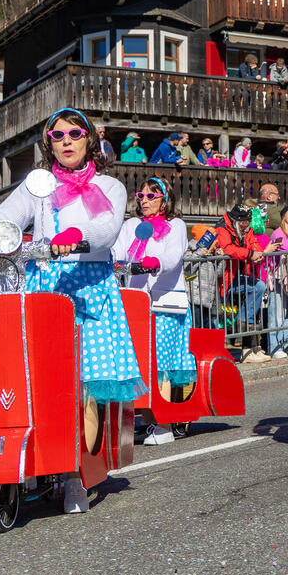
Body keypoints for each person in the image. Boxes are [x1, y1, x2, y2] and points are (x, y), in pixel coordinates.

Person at [0, 107, 146, 514]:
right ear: (48, 142)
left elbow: (107, 229)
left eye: (75, 133)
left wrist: (78, 235)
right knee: (39, 386)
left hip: (89, 288)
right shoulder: (38, 184)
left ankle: (75, 474)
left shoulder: (109, 186)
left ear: (89, 139)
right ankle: (40, 461)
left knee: (85, 389)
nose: (67, 141)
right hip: (43, 290)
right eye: (58, 135)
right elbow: (5, 218)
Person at [113, 176, 195, 446]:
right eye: (141, 196)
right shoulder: (132, 225)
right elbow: (118, 251)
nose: (144, 201)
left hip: (165, 304)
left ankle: (164, 423)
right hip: (135, 304)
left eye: (151, 196)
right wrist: (113, 261)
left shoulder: (176, 226)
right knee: (137, 361)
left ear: (164, 200)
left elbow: (173, 257)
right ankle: (145, 418)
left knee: (161, 362)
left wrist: (155, 261)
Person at [215, 202, 271, 363]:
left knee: (259, 287)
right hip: (224, 280)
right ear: (235, 220)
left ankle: (249, 347)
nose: (247, 225)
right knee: (256, 291)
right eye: (244, 222)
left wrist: (257, 252)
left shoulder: (245, 228)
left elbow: (253, 241)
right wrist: (250, 253)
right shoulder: (222, 228)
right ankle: (247, 345)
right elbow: (228, 248)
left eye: (248, 221)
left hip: (237, 276)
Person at [265, 205, 288, 359]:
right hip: (279, 276)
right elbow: (282, 248)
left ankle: (286, 343)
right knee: (276, 312)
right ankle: (274, 346)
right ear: (284, 216)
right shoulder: (278, 233)